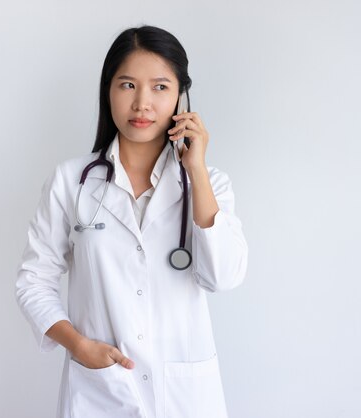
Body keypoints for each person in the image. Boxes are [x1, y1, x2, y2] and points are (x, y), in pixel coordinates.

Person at [16, 25, 248, 418]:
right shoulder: (71, 182)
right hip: (100, 391)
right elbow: (33, 281)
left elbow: (222, 276)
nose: (142, 103)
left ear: (180, 96)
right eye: (127, 85)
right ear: (108, 92)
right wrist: (78, 345)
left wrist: (197, 171)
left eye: (159, 87)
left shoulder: (210, 185)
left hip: (185, 399)